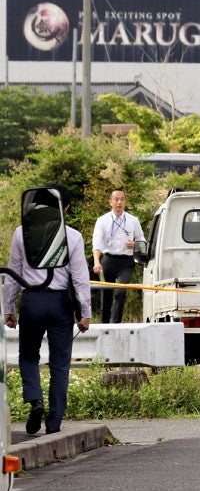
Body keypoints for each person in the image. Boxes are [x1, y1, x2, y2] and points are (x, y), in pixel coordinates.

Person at [3, 184, 91, 435]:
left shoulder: (22, 233)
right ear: (66, 208)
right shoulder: (73, 236)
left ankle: (35, 400)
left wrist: (8, 308)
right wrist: (85, 313)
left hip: (31, 301)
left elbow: (13, 273)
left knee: (28, 356)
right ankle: (54, 422)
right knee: (60, 365)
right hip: (60, 304)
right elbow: (80, 278)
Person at [92, 188, 146, 323]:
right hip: (108, 259)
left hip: (126, 261)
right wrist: (96, 262)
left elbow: (142, 241)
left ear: (125, 202)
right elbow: (97, 243)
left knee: (121, 292)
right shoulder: (102, 220)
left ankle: (115, 323)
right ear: (110, 202)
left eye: (122, 199)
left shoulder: (133, 220)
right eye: (116, 200)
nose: (119, 203)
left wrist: (135, 245)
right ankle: (104, 326)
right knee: (106, 295)